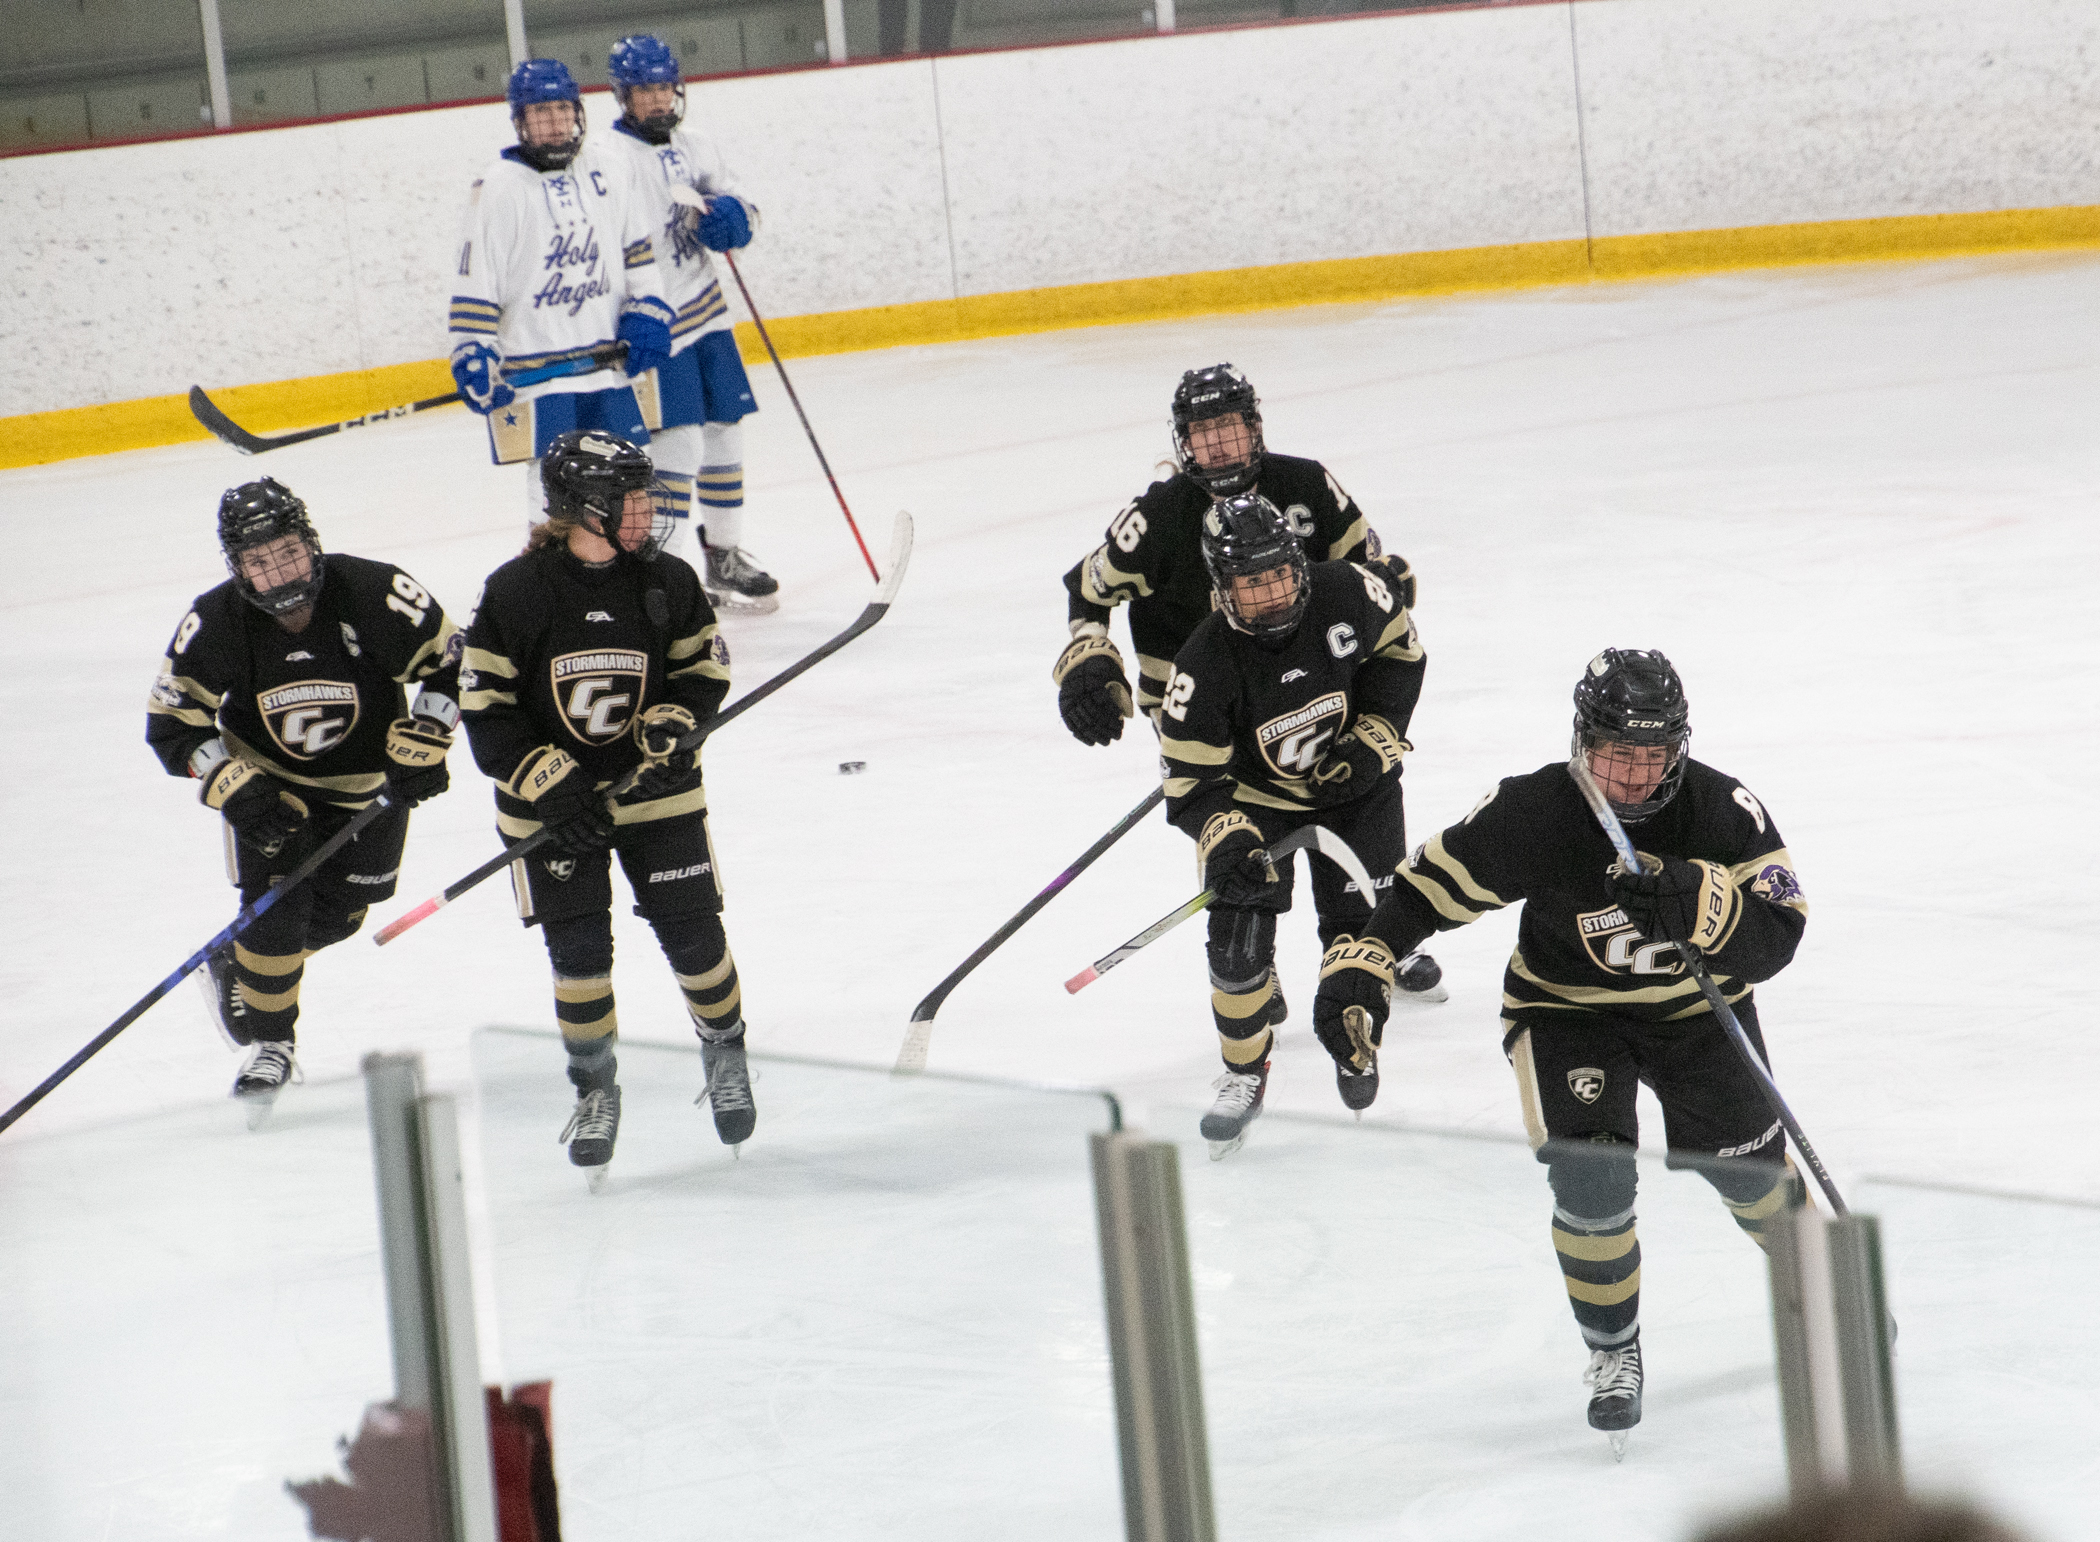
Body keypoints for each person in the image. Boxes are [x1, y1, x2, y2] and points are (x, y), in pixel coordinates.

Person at [1313, 648, 1812, 1448]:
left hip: (1696, 1013)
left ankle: (1827, 1298)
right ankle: (1614, 1350)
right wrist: (1366, 959)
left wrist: (1699, 899)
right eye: (1618, 753)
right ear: (1584, 741)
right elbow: (1425, 888)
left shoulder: (1723, 809)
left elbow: (1779, 935)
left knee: (1753, 1177)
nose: (1636, 776)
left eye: (1654, 754)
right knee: (1591, 1182)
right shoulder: (1536, 810)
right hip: (1564, 1011)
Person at [458, 430, 751, 1179]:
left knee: (695, 937)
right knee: (580, 957)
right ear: (585, 510)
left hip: (656, 793)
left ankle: (726, 1051)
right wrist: (552, 784)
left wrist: (676, 721)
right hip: (548, 810)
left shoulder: (668, 579)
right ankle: (594, 1089)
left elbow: (703, 671)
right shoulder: (516, 592)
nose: (647, 512)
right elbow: (486, 709)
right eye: (632, 500)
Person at [146, 480, 462, 1114]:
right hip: (272, 789)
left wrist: (430, 734)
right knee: (276, 909)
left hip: (366, 787)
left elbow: (454, 665)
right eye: (259, 562)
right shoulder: (215, 620)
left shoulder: (375, 591)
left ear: (311, 544)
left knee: (343, 915)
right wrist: (229, 783)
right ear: (237, 567)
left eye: (288, 552)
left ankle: (237, 963)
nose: (279, 573)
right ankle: (272, 1045)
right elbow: (173, 723)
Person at [1158, 492, 1442, 1158]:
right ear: (1222, 588)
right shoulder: (1201, 666)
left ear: (1299, 566)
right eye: (1251, 584)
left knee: (1361, 932)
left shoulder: (1349, 591)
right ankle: (1243, 1072)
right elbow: (1191, 785)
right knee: (1237, 938)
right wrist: (1227, 836)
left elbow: (1402, 655)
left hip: (1358, 792)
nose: (1271, 595)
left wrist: (1374, 739)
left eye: (1280, 575)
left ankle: (1354, 1037)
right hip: (1260, 803)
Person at [1055, 363, 1377, 742]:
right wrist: (1088, 656)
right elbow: (1089, 590)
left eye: (1225, 424)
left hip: (1311, 684)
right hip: (1195, 702)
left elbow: (1367, 574)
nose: (1215, 443)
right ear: (1186, 442)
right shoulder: (1158, 517)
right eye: (1200, 430)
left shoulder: (1307, 485)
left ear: (1252, 426)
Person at [447, 59, 676, 528]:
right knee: (552, 500)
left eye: (562, 109)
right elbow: (476, 282)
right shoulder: (498, 188)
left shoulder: (608, 169)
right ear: (520, 120)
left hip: (607, 367)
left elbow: (638, 256)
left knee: (629, 486)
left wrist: (648, 311)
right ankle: (548, 576)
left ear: (577, 111)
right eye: (540, 112)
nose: (554, 122)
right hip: (537, 375)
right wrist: (473, 348)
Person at [596, 34, 778, 613]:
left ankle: (724, 554)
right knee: (677, 445)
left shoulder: (696, 143)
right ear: (623, 96)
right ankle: (667, 572)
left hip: (707, 313)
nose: (657, 99)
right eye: (644, 90)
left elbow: (742, 203)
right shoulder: (607, 157)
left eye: (664, 87)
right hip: (655, 323)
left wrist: (734, 218)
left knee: (726, 428)